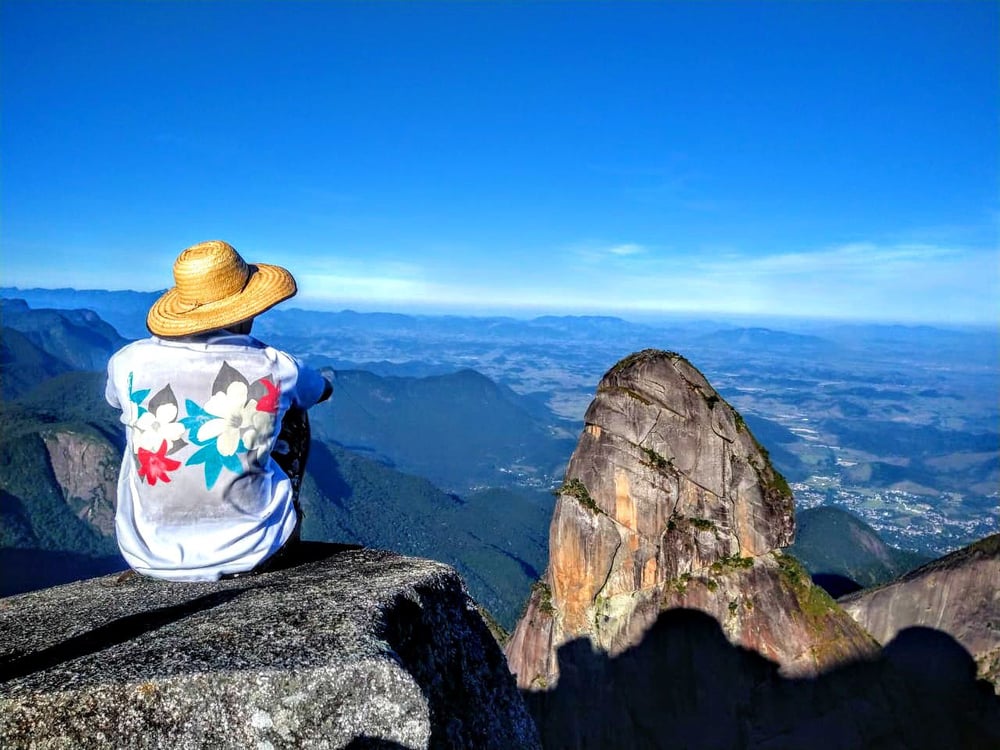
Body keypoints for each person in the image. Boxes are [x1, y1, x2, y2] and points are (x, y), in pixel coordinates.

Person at [105, 240, 332, 581]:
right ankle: (261, 512)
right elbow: (321, 390)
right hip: (257, 551)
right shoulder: (276, 366)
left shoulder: (127, 362)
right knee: (294, 411)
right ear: (247, 306)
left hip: (147, 555)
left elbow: (114, 400)